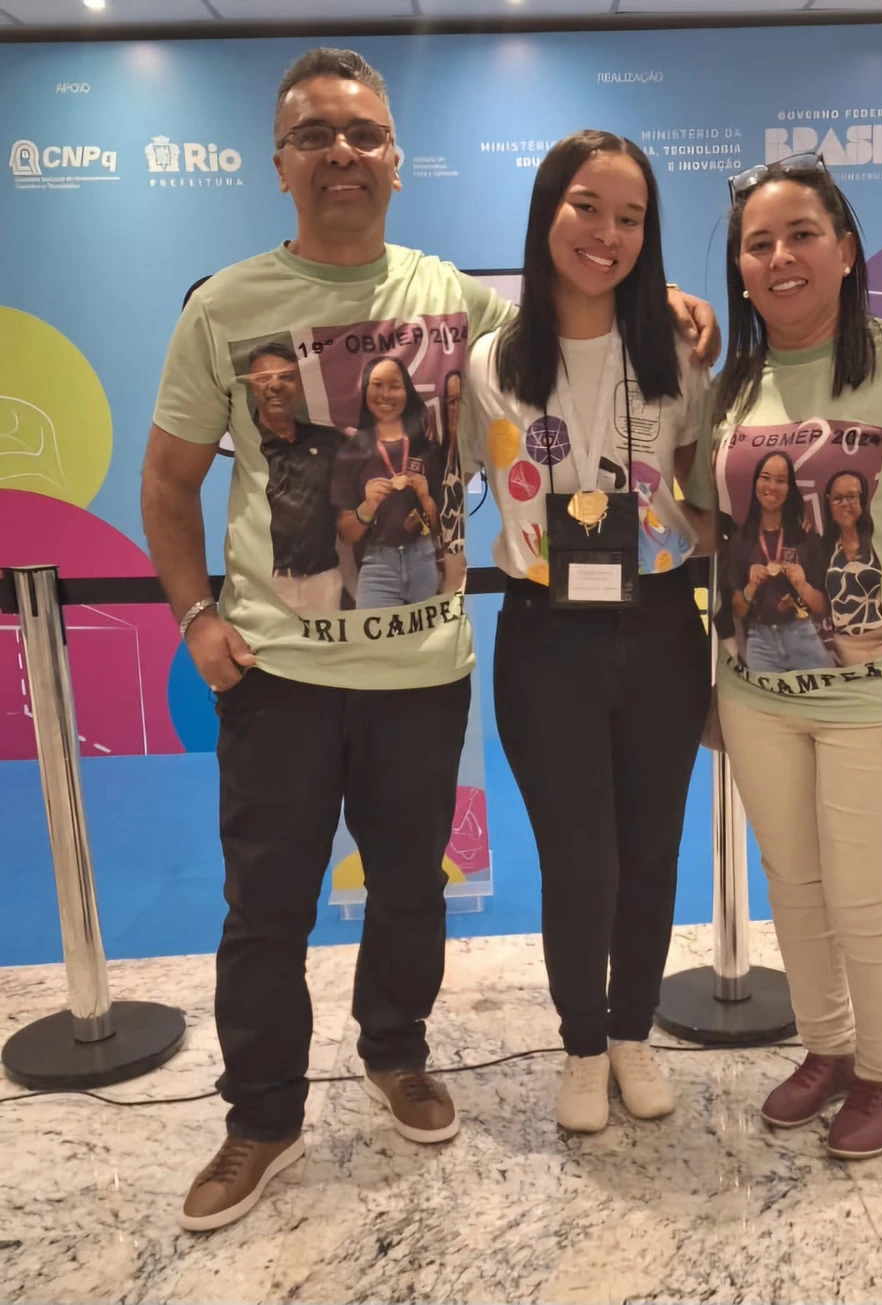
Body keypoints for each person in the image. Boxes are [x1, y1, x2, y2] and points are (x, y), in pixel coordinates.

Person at [140, 48, 717, 1233]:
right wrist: (197, 614)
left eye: (362, 134)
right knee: (266, 909)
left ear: (397, 165)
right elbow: (167, 475)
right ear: (282, 162)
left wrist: (668, 298)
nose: (341, 152)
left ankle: (395, 1053)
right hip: (281, 672)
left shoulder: (458, 304)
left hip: (423, 667)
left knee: (411, 889)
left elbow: (579, 333)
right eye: (316, 135)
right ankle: (260, 1119)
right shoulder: (225, 306)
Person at [685, 157, 882, 1159]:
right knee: (797, 883)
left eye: (801, 235)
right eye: (758, 243)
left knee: (868, 896)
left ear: (846, 246)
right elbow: (707, 526)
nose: (780, 257)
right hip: (757, 689)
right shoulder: (732, 386)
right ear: (739, 269)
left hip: (881, 692)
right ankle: (825, 1049)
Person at [460, 131, 711, 1132]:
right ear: (545, 214)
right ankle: (578, 1044)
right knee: (579, 858)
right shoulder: (491, 363)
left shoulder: (680, 353)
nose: (606, 233)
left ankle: (632, 1034)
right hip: (545, 636)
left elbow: (693, 481)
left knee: (652, 849)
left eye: (630, 216)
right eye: (585, 207)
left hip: (659, 632)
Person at [331, 354, 444, 608]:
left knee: (427, 645)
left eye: (394, 386)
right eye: (377, 385)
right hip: (377, 564)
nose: (386, 394)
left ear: (407, 391)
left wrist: (425, 497)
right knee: (375, 648)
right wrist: (367, 506)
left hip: (424, 558)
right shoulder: (351, 452)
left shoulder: (427, 447)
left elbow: (444, 528)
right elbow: (347, 534)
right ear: (364, 390)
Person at [243, 342, 347, 611]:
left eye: (286, 377)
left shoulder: (330, 442)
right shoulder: (243, 443)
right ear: (252, 387)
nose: (275, 385)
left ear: (299, 385)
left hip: (324, 582)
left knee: (327, 654)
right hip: (264, 585)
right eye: (264, 378)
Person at [724, 449, 832, 673]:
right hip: (761, 643)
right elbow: (738, 610)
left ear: (790, 488)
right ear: (755, 483)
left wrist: (802, 586)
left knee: (818, 705)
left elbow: (823, 608)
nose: (771, 486)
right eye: (765, 478)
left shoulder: (807, 538)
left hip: (803, 637)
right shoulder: (741, 540)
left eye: (781, 480)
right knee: (765, 708)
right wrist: (751, 586)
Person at [821, 468, 882, 665]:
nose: (845, 504)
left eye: (851, 497)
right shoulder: (825, 548)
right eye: (838, 498)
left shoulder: (880, 541)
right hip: (845, 647)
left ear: (863, 500)